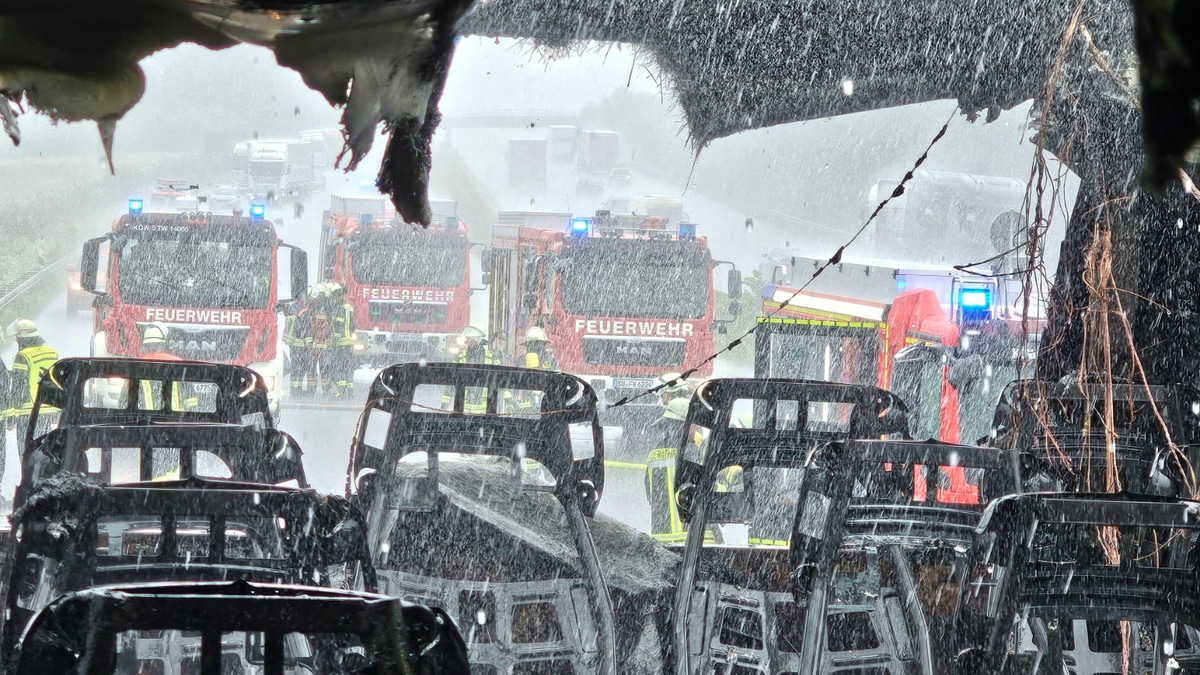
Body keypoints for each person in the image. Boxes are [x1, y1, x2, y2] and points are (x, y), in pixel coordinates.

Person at [7, 319, 58, 452]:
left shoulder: (23, 356)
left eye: (17, 338)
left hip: (28, 412)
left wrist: (13, 413)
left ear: (22, 338)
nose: (16, 341)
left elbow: (19, 388)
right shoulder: (51, 352)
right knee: (43, 450)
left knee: (26, 452)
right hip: (47, 408)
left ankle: (29, 473)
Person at [645, 398, 690, 544]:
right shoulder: (691, 452)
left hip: (660, 533)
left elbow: (649, 493)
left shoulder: (654, 452)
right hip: (687, 535)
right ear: (683, 424)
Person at [444, 325, 500, 414]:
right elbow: (451, 381)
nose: (468, 342)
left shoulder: (493, 358)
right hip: (463, 411)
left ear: (478, 340)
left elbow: (500, 380)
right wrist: (444, 405)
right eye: (468, 339)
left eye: (471, 339)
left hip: (485, 411)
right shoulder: (459, 358)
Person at [282, 287, 314, 398]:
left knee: (297, 367)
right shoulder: (302, 310)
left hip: (293, 344)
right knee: (302, 367)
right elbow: (304, 329)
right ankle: (297, 390)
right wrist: (309, 344)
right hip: (300, 344)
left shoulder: (293, 307)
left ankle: (295, 390)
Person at [327, 283, 357, 398]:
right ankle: (349, 392)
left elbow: (338, 328)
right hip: (350, 343)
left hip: (342, 343)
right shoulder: (349, 307)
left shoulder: (340, 309)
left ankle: (341, 392)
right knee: (348, 367)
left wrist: (333, 343)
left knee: (339, 367)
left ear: (338, 297)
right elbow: (353, 325)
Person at [307, 283, 333, 396]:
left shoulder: (313, 306)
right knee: (324, 368)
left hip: (315, 343)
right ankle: (326, 389)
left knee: (313, 367)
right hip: (323, 343)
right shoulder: (328, 307)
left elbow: (310, 326)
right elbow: (330, 326)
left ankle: (311, 389)